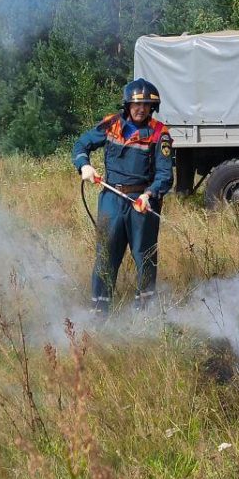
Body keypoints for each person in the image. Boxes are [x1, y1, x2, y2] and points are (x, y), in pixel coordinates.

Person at [72, 78, 173, 314]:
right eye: (137, 105)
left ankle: (145, 312)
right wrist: (84, 166)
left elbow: (165, 175)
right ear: (127, 105)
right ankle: (99, 311)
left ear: (152, 108)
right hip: (111, 198)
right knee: (106, 255)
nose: (141, 109)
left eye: (147, 105)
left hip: (142, 203)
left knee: (145, 257)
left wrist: (149, 195)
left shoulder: (160, 134)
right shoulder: (111, 125)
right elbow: (81, 144)